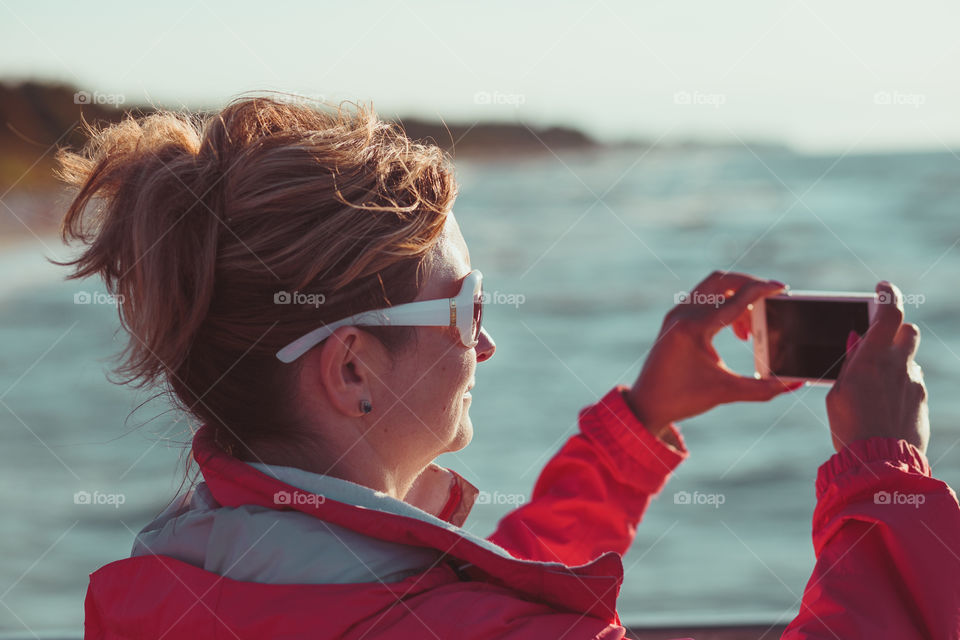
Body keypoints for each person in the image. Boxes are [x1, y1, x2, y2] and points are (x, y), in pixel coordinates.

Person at [56, 97, 960, 639]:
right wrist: (882, 476)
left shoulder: (177, 580)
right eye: (466, 309)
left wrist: (638, 426)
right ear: (352, 370)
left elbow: (449, 603)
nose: (485, 344)